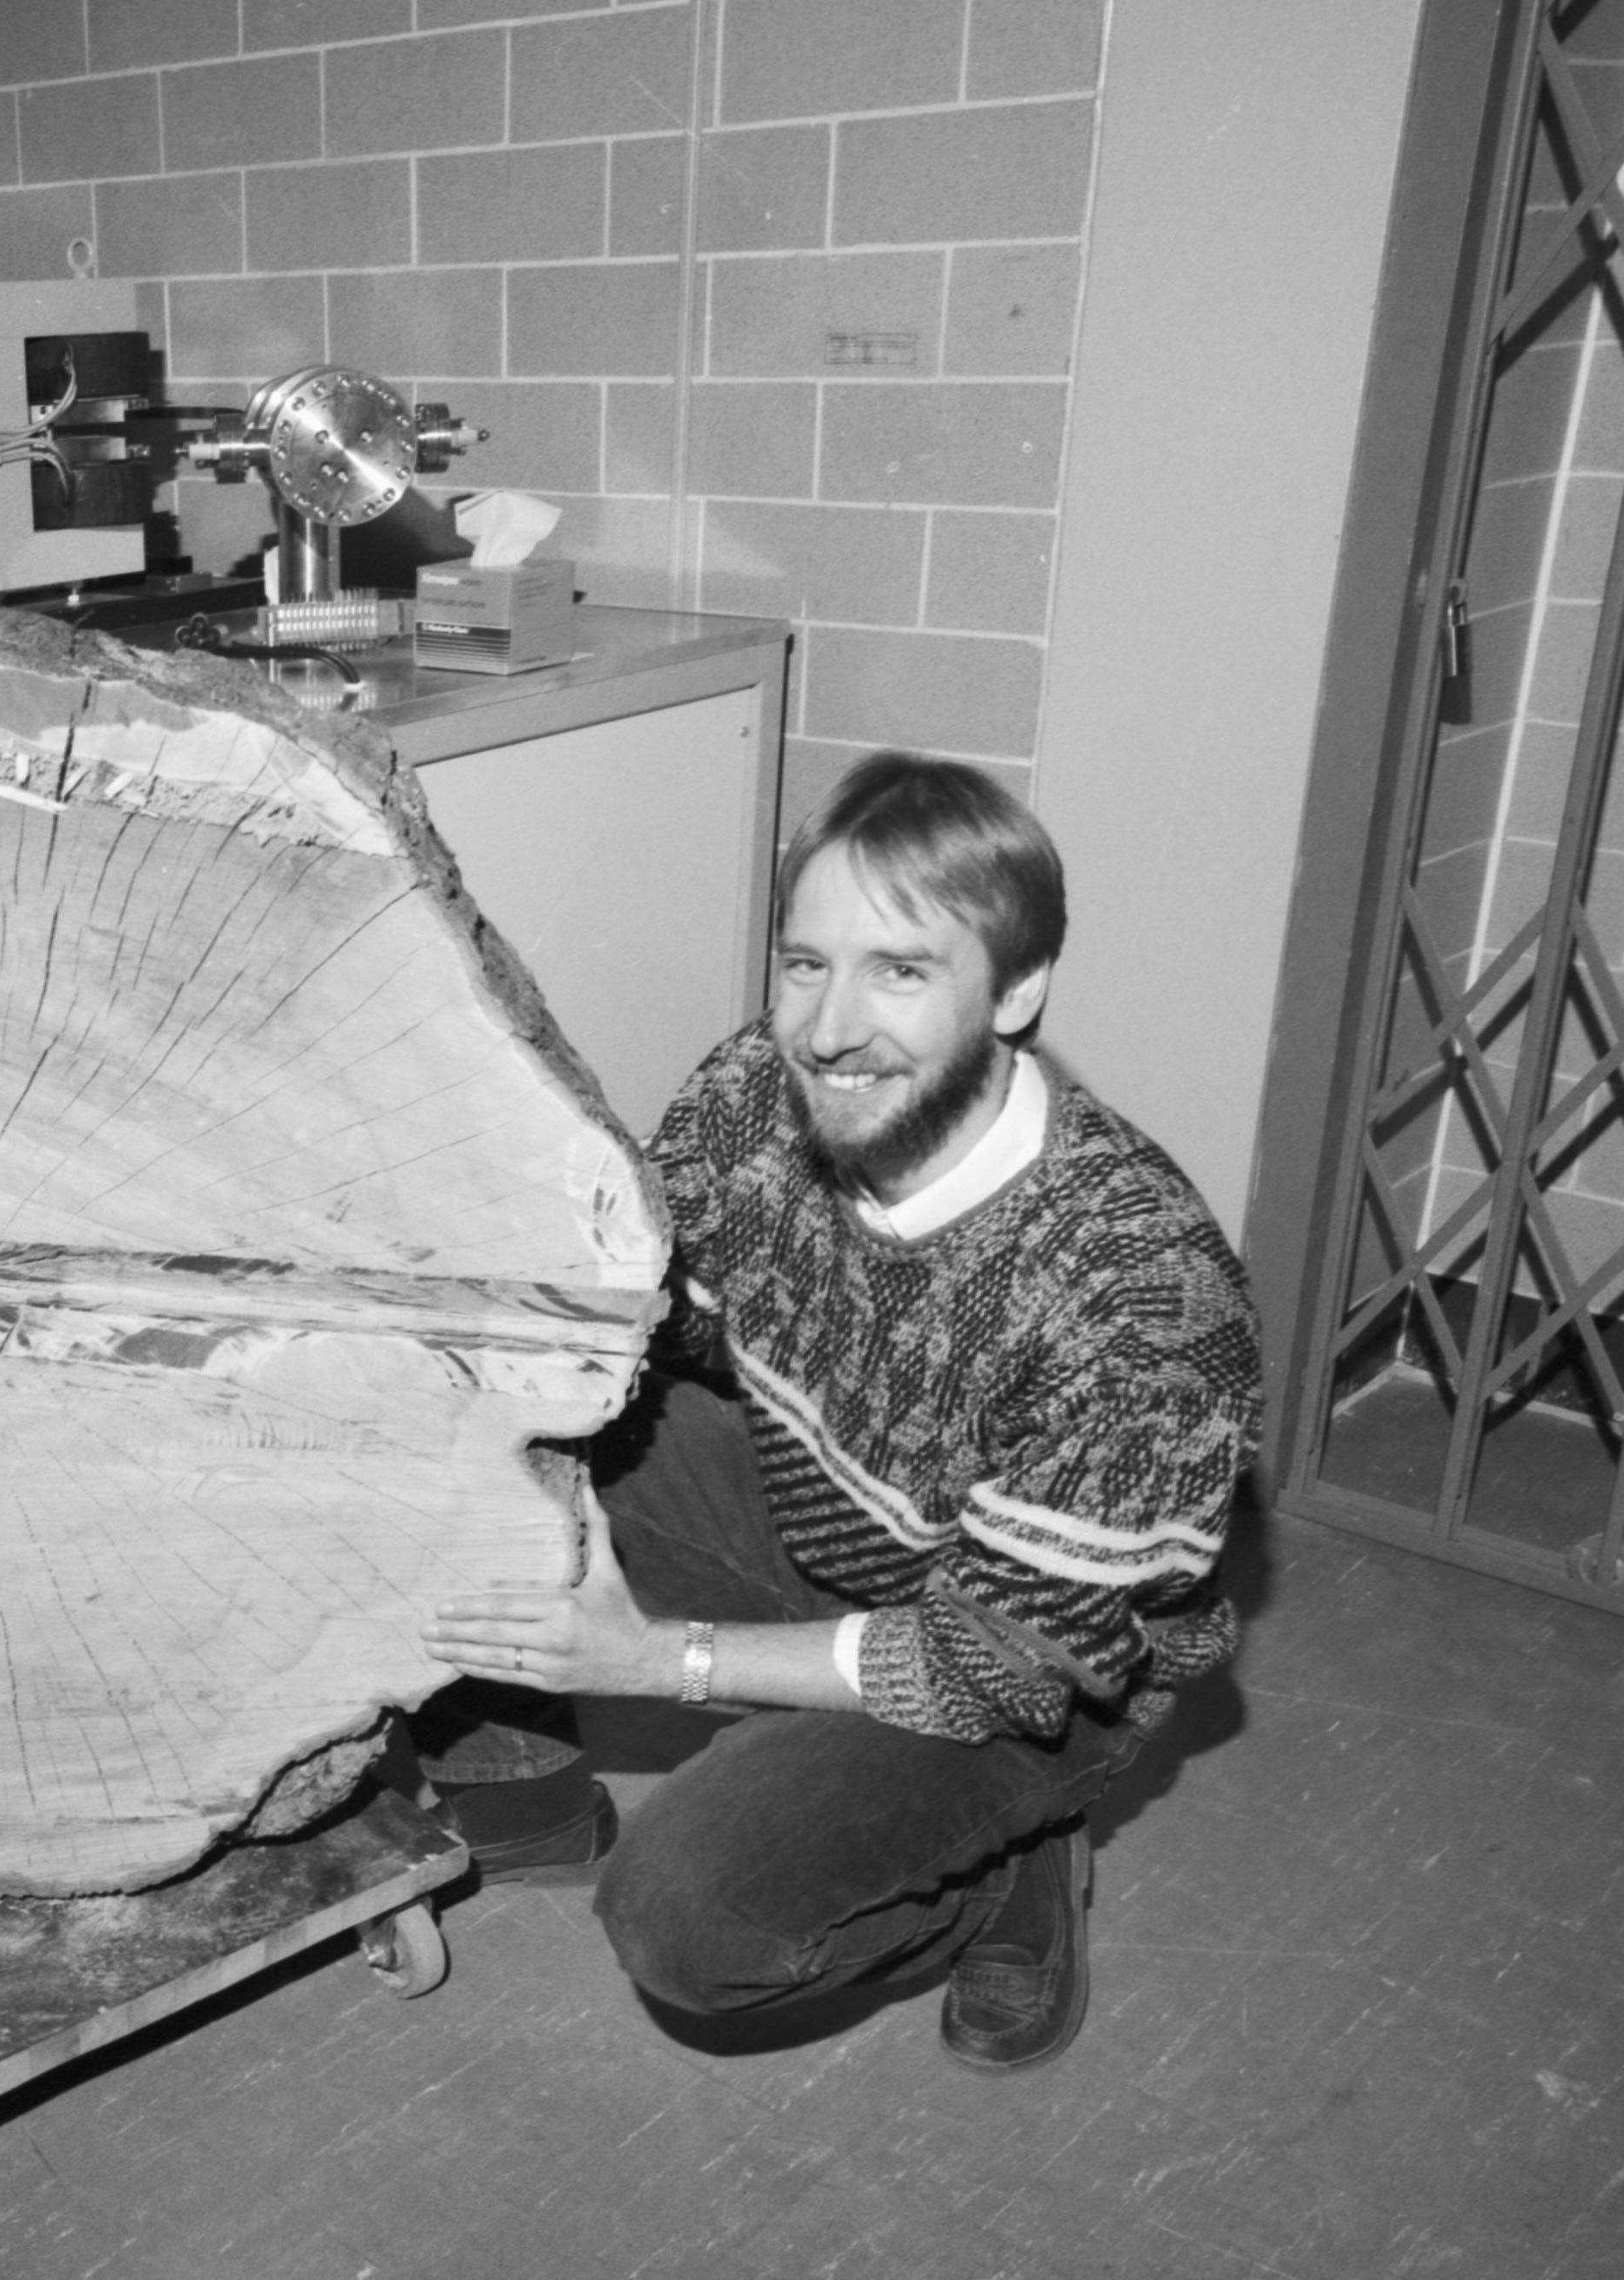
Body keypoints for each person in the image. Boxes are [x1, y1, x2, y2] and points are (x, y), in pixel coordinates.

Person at [425, 750, 1262, 2069]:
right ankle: (521, 1793)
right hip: (834, 1520)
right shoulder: (756, 1092)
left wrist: (659, 1659)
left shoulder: (1142, 1298)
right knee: (469, 1418)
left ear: (1019, 989)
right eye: (807, 963)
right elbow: (648, 1313)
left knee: (686, 1920)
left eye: (901, 971)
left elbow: (989, 1661)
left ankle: (1005, 1867)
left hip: (1036, 1669)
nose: (827, 1027)